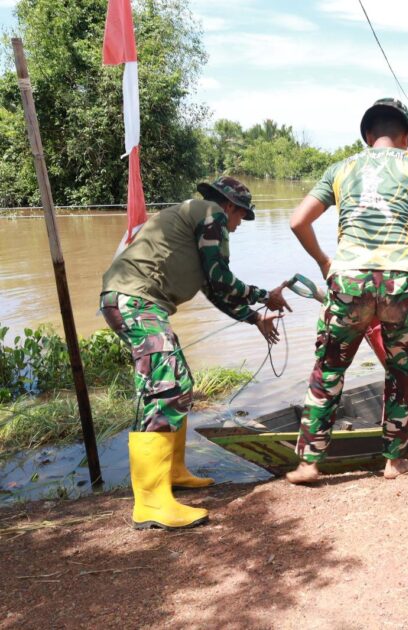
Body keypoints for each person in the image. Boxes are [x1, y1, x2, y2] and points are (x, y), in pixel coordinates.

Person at [287, 98, 408, 484]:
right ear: (406, 137)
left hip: (348, 279)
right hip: (401, 281)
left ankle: (309, 463)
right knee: (401, 373)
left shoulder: (340, 168)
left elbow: (297, 221)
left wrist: (324, 262)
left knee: (330, 369)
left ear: (369, 135)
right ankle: (394, 461)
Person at [100, 176, 288, 529]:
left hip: (134, 301)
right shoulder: (211, 214)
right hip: (135, 301)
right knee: (166, 389)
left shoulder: (195, 222)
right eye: (240, 217)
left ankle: (172, 472)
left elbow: (212, 288)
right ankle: (151, 503)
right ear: (230, 206)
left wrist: (254, 318)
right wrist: (265, 295)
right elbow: (221, 278)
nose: (237, 226)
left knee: (179, 384)